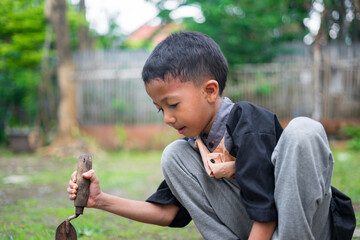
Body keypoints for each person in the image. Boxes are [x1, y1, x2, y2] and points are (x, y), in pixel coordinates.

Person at [67, 31, 355, 239]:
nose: (167, 118)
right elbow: (168, 213)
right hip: (258, 229)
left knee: (304, 129)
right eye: (159, 109)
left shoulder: (248, 122)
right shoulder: (193, 145)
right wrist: (100, 200)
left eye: (173, 105)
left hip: (308, 228)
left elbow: (266, 213)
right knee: (174, 155)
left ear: (210, 91)